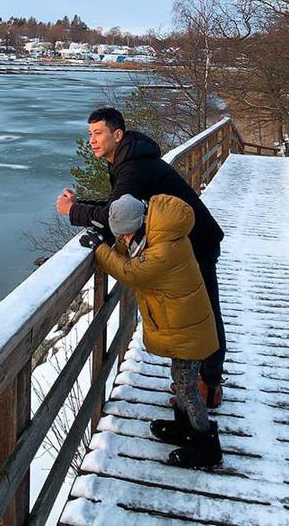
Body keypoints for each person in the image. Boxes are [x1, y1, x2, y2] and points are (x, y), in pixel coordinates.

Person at [56, 107, 226, 407]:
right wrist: (81, 205)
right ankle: (197, 382)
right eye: (90, 134)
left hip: (195, 243)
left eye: (98, 133)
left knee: (204, 315)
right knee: (196, 315)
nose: (92, 141)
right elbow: (120, 210)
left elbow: (113, 218)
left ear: (117, 134)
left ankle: (209, 386)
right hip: (184, 242)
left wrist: (73, 211)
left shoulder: (132, 167)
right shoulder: (128, 160)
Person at [80, 193, 223, 470]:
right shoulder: (158, 231)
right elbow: (131, 250)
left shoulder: (163, 250)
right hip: (185, 324)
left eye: (126, 235)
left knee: (187, 388)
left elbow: (132, 272)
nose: (124, 240)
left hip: (188, 330)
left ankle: (207, 446)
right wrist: (110, 237)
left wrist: (100, 250)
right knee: (181, 379)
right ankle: (185, 428)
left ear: (140, 225)